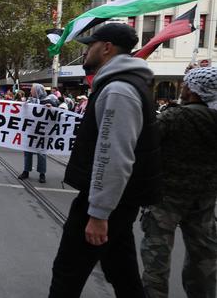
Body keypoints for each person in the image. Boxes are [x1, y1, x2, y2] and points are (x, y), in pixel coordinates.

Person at [48, 24, 161, 297]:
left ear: (107, 47)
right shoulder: (122, 85)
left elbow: (114, 156)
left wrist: (99, 212)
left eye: (91, 45)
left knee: (68, 271)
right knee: (123, 272)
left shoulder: (118, 90)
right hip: (120, 201)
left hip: (106, 203)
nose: (86, 51)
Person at [140, 66, 217, 298]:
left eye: (185, 84)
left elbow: (148, 148)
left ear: (194, 91)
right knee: (203, 257)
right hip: (203, 199)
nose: (182, 88)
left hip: (167, 198)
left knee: (157, 257)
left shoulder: (175, 116)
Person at [19, 83, 57, 183]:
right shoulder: (30, 101)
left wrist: (52, 108)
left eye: (32, 89)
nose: (30, 91)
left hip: (42, 132)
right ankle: (26, 171)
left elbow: (58, 113)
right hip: (30, 130)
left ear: (37, 90)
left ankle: (42, 173)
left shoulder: (49, 101)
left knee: (41, 153)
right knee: (27, 151)